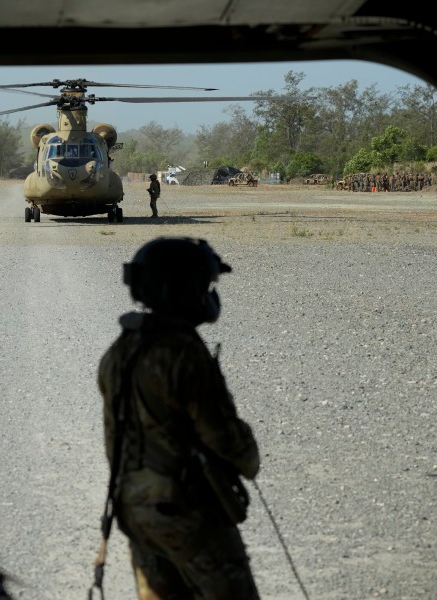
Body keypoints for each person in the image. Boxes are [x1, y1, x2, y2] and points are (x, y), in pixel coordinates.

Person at [97, 237, 261, 599]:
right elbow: (230, 444)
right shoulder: (182, 352)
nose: (208, 295)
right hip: (182, 509)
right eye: (203, 285)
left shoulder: (120, 350)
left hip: (132, 507)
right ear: (182, 289)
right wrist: (247, 452)